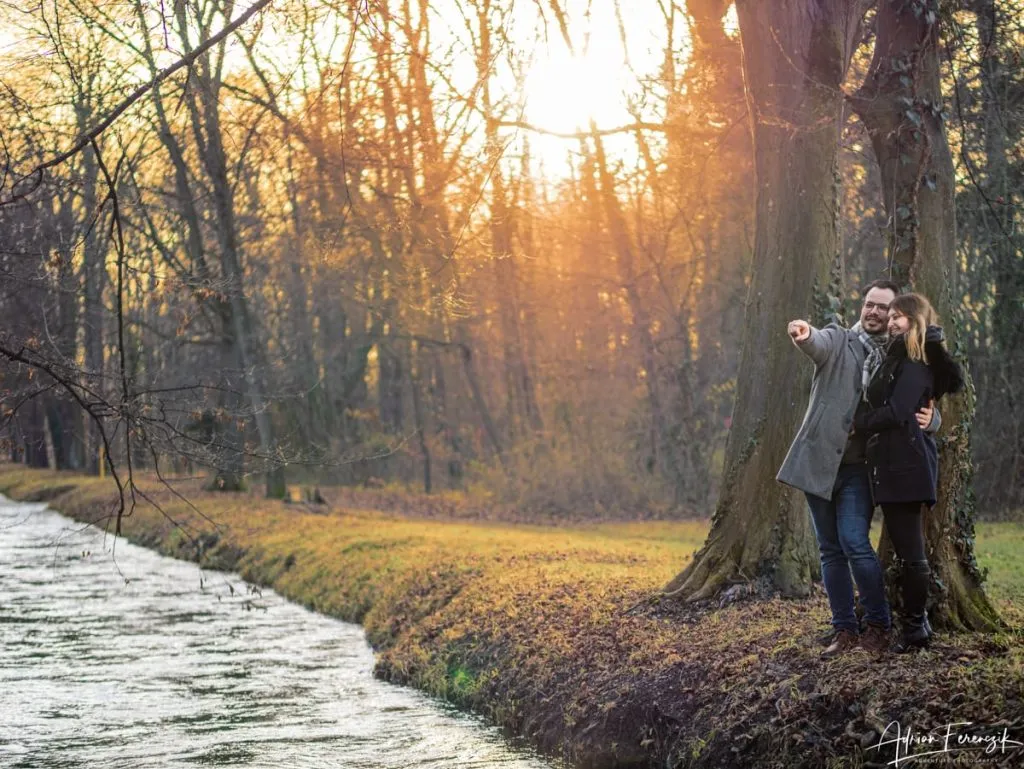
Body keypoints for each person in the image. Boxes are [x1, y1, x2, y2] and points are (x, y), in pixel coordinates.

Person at [778, 280, 938, 658]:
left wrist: (933, 421)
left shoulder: (900, 358)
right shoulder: (840, 340)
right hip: (818, 464)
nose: (873, 312)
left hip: (860, 469)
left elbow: (913, 402)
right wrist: (803, 334)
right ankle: (844, 629)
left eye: (883, 307)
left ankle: (879, 625)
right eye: (869, 304)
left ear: (895, 314)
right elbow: (818, 341)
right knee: (829, 551)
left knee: (853, 542)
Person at [854, 293, 964, 652]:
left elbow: (899, 412)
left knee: (911, 553)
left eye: (900, 317)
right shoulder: (899, 358)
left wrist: (859, 423)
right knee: (907, 551)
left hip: (906, 467)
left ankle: (916, 628)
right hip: (894, 464)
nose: (892, 322)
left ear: (916, 321)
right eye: (892, 318)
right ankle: (917, 624)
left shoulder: (916, 364)